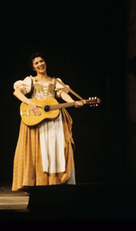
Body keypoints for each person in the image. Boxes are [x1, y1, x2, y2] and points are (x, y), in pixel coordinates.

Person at [12, 52, 83, 191]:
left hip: (55, 118)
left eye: (41, 61)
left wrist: (74, 103)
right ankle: (39, 182)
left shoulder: (56, 81)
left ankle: (57, 181)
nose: (40, 64)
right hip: (38, 118)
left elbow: (62, 94)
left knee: (56, 148)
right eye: (36, 63)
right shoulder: (30, 80)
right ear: (33, 68)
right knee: (39, 150)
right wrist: (30, 103)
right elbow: (17, 92)